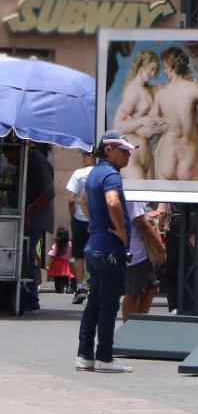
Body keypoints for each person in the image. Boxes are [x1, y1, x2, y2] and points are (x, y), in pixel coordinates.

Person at [76, 131, 137, 374]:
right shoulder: (111, 175)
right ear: (109, 150)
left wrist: (97, 224)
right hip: (111, 250)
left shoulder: (93, 174)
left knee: (94, 303)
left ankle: (84, 356)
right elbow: (113, 202)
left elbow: (82, 202)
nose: (128, 155)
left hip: (95, 247)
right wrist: (121, 232)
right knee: (109, 305)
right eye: (124, 150)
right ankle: (105, 357)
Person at [2, 139, 53, 312]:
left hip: (34, 219)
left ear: (19, 151)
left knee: (27, 256)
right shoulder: (24, 162)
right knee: (24, 255)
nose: (10, 162)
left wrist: (28, 214)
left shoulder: (38, 163)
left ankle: (31, 297)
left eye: (11, 158)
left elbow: (48, 194)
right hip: (26, 216)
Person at [151, 47, 198, 182]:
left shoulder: (161, 94)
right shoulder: (193, 89)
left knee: (164, 203)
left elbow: (151, 123)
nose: (164, 71)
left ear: (170, 66)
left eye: (165, 67)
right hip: (187, 154)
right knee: (193, 200)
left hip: (167, 152)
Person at [110, 50, 164, 180]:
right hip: (132, 156)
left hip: (146, 155)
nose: (152, 74)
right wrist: (141, 121)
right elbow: (117, 125)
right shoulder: (133, 91)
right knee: (140, 200)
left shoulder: (147, 88)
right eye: (151, 70)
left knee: (152, 200)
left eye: (154, 71)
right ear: (142, 66)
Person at [120, 198, 166, 320]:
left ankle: (138, 323)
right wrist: (161, 249)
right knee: (134, 291)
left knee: (151, 288)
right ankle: (129, 327)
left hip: (141, 252)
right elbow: (144, 225)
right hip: (135, 252)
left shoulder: (136, 198)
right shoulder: (133, 199)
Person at [65, 152, 94, 303]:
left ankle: (80, 287)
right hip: (96, 219)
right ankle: (94, 286)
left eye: (84, 155)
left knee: (79, 254)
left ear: (90, 156)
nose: (83, 159)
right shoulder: (100, 173)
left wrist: (72, 215)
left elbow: (71, 199)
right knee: (95, 253)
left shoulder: (78, 174)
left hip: (79, 218)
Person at [47, 227, 75, 295]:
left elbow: (52, 257)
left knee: (57, 280)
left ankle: (59, 291)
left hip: (57, 265)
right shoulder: (70, 245)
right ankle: (65, 289)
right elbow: (73, 254)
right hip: (66, 264)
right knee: (65, 278)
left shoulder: (56, 246)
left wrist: (48, 267)